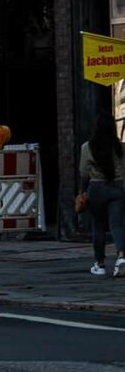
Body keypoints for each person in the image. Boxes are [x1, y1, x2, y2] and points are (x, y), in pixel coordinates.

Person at [77, 102, 125, 277]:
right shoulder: (119, 147)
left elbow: (83, 172)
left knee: (98, 226)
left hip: (96, 188)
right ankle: (121, 257)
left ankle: (100, 263)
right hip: (117, 187)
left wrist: (82, 191)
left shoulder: (87, 147)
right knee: (117, 225)